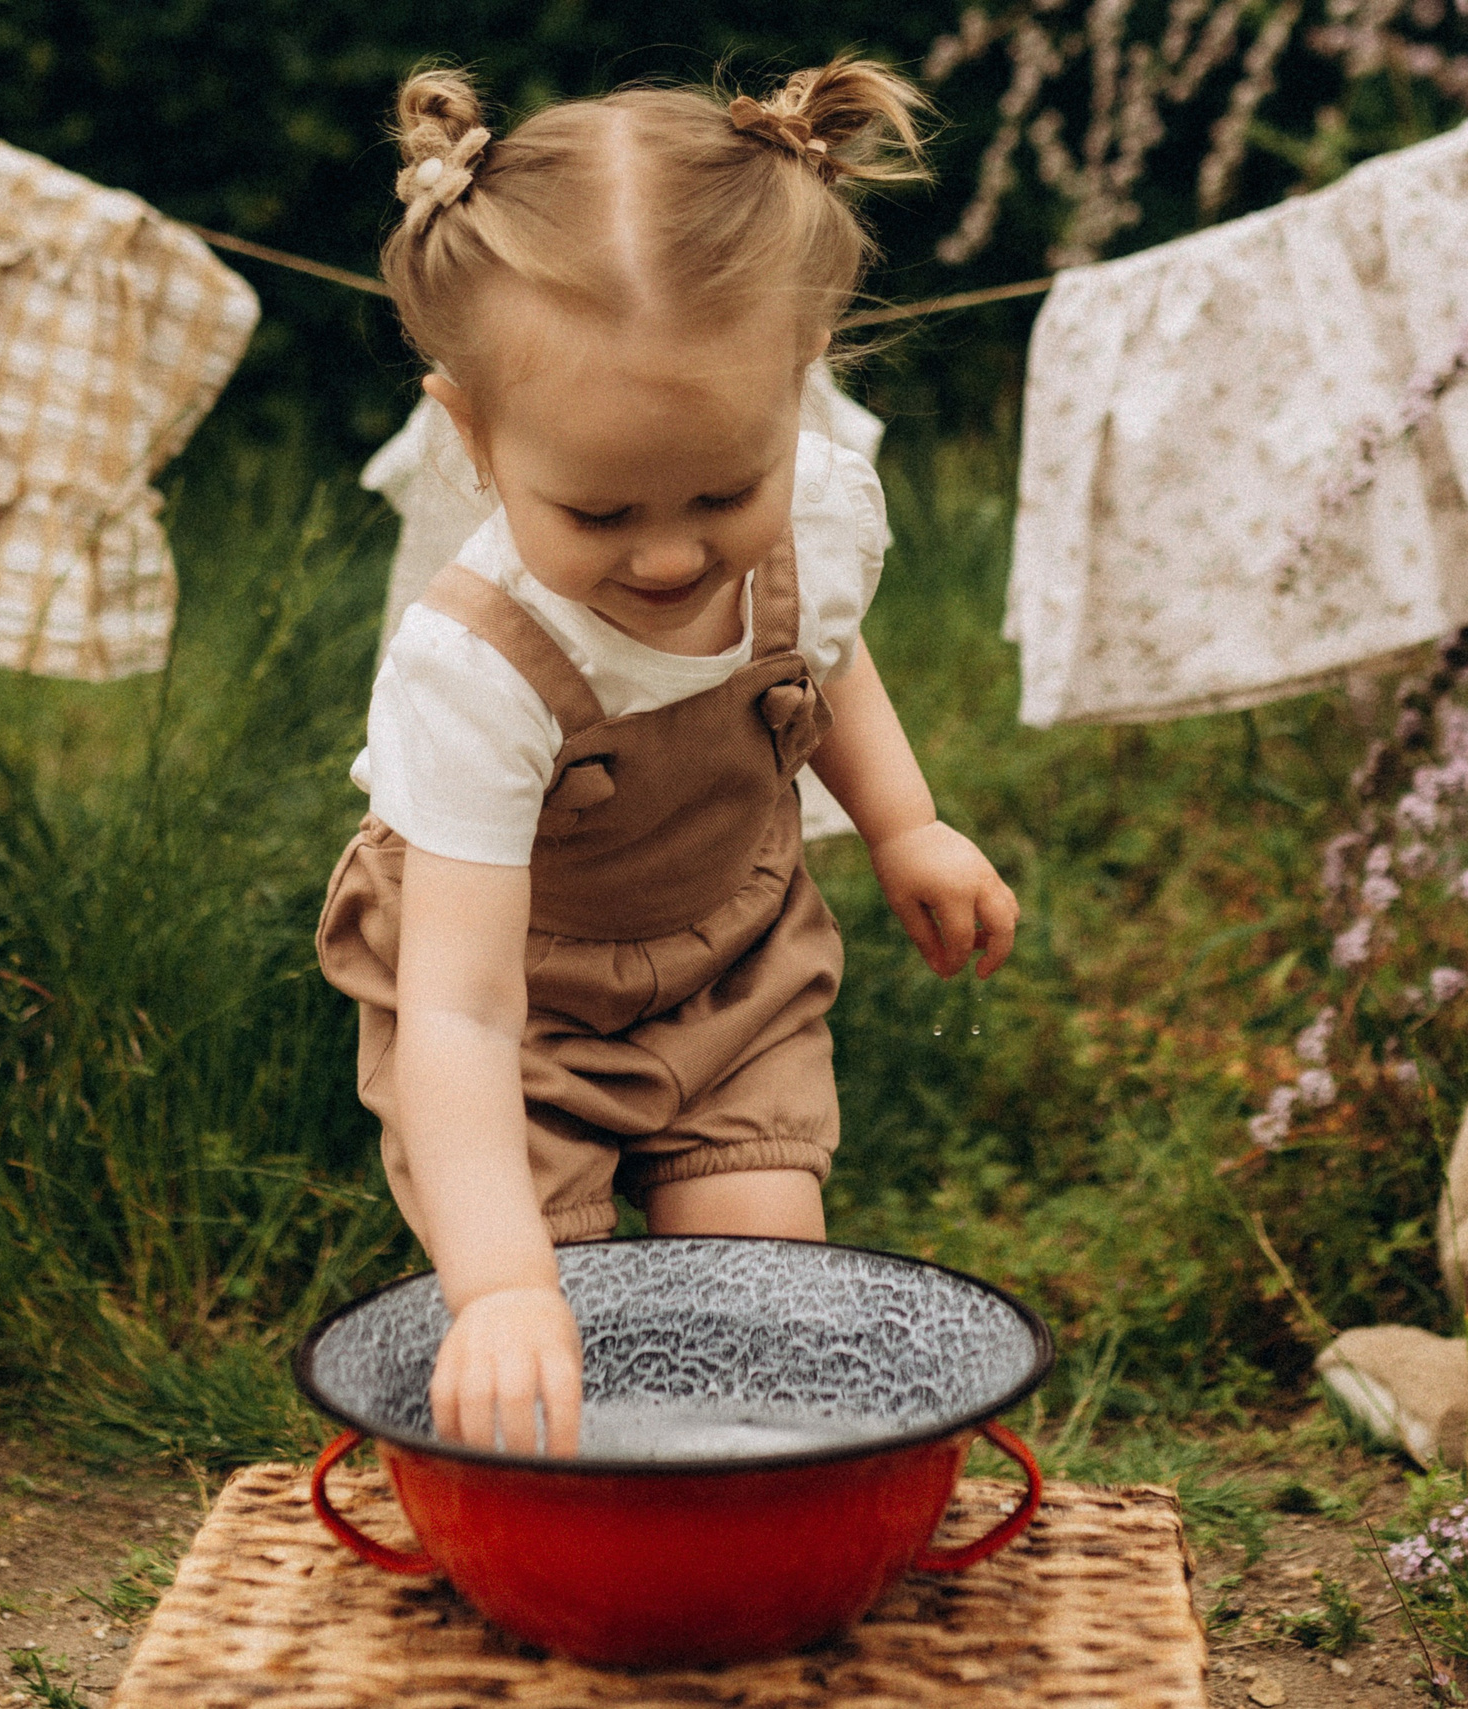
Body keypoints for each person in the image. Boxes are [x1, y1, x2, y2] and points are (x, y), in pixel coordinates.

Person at [316, 58, 1020, 1458]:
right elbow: (455, 1013)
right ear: (471, 435)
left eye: (721, 490)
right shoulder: (475, 668)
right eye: (600, 507)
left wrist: (905, 826)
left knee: (767, 1307)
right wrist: (504, 1284)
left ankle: (752, 1524)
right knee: (550, 1341)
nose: (672, 553)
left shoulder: (813, 514)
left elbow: (822, 657)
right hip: (514, 1028)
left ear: (798, 399)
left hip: (734, 969)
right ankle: (562, 1526)